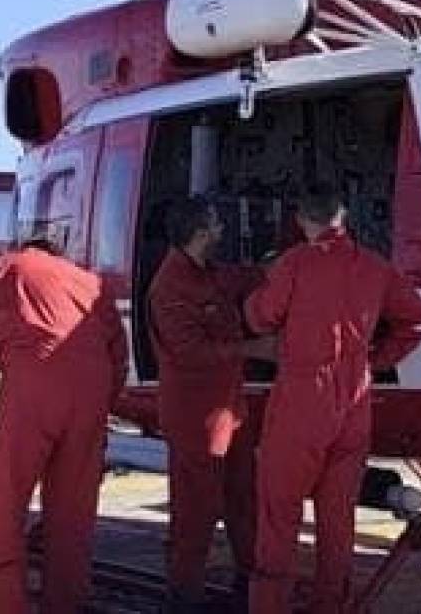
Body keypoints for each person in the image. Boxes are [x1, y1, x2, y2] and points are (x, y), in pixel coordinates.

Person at [0, 220, 128, 614]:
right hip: (92, 395)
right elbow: (118, 357)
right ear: (57, 251)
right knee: (71, 517)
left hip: (33, 388)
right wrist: (98, 409)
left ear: (19, 245)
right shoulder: (88, 281)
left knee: (0, 510)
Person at [246, 184, 421, 613]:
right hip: (355, 399)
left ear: (301, 221)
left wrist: (259, 287)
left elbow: (261, 317)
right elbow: (415, 322)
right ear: (342, 218)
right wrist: (376, 361)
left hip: (302, 399)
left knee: (278, 513)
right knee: (337, 517)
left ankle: (269, 606)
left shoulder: (293, 264)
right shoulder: (376, 267)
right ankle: (334, 603)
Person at [147, 195, 270, 611]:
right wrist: (255, 349)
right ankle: (184, 596)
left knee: (243, 497)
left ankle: (248, 581)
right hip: (196, 416)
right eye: (217, 225)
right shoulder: (170, 287)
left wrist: (279, 267)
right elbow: (190, 353)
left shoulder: (208, 273)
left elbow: (239, 278)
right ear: (201, 233)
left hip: (228, 412)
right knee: (196, 509)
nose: (222, 230)